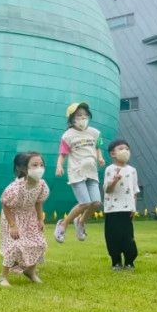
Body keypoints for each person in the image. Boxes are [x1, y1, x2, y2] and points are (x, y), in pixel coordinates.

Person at [54, 102, 105, 243]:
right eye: (78, 115)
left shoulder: (95, 133)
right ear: (71, 119)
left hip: (92, 171)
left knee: (96, 203)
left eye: (84, 115)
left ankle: (80, 222)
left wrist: (100, 157)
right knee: (84, 203)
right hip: (76, 172)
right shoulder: (67, 135)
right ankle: (63, 224)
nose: (82, 118)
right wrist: (59, 166)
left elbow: (98, 147)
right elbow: (63, 154)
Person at [0, 152, 49, 287]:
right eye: (34, 165)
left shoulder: (41, 185)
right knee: (14, 245)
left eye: (41, 165)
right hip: (13, 217)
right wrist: (12, 225)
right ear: (24, 169)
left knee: (40, 243)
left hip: (30, 217)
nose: (39, 168)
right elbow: (5, 204)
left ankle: (30, 271)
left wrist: (40, 219)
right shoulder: (16, 187)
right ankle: (3, 277)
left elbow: (39, 202)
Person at [102, 139, 139, 270]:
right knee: (112, 236)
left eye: (127, 149)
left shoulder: (132, 170)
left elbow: (134, 190)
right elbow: (108, 189)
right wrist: (114, 180)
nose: (125, 151)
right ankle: (116, 261)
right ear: (112, 153)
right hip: (112, 209)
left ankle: (129, 261)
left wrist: (134, 207)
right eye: (121, 148)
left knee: (128, 236)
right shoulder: (110, 169)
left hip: (127, 209)